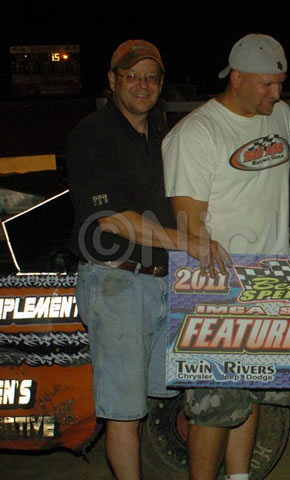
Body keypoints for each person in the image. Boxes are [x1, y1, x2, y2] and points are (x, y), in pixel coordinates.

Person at [66, 39, 229, 480]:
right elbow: (111, 220)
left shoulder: (165, 133)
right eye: (132, 75)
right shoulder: (92, 135)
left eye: (151, 77)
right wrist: (187, 242)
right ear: (112, 80)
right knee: (124, 410)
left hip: (164, 280)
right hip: (116, 281)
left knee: (169, 390)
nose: (143, 84)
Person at [162, 33, 290, 480]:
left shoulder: (281, 115)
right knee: (213, 406)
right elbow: (188, 225)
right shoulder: (196, 133)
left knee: (251, 394)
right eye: (266, 84)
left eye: (280, 83)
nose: (276, 92)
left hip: (273, 279)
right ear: (236, 78)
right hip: (217, 286)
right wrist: (220, 291)